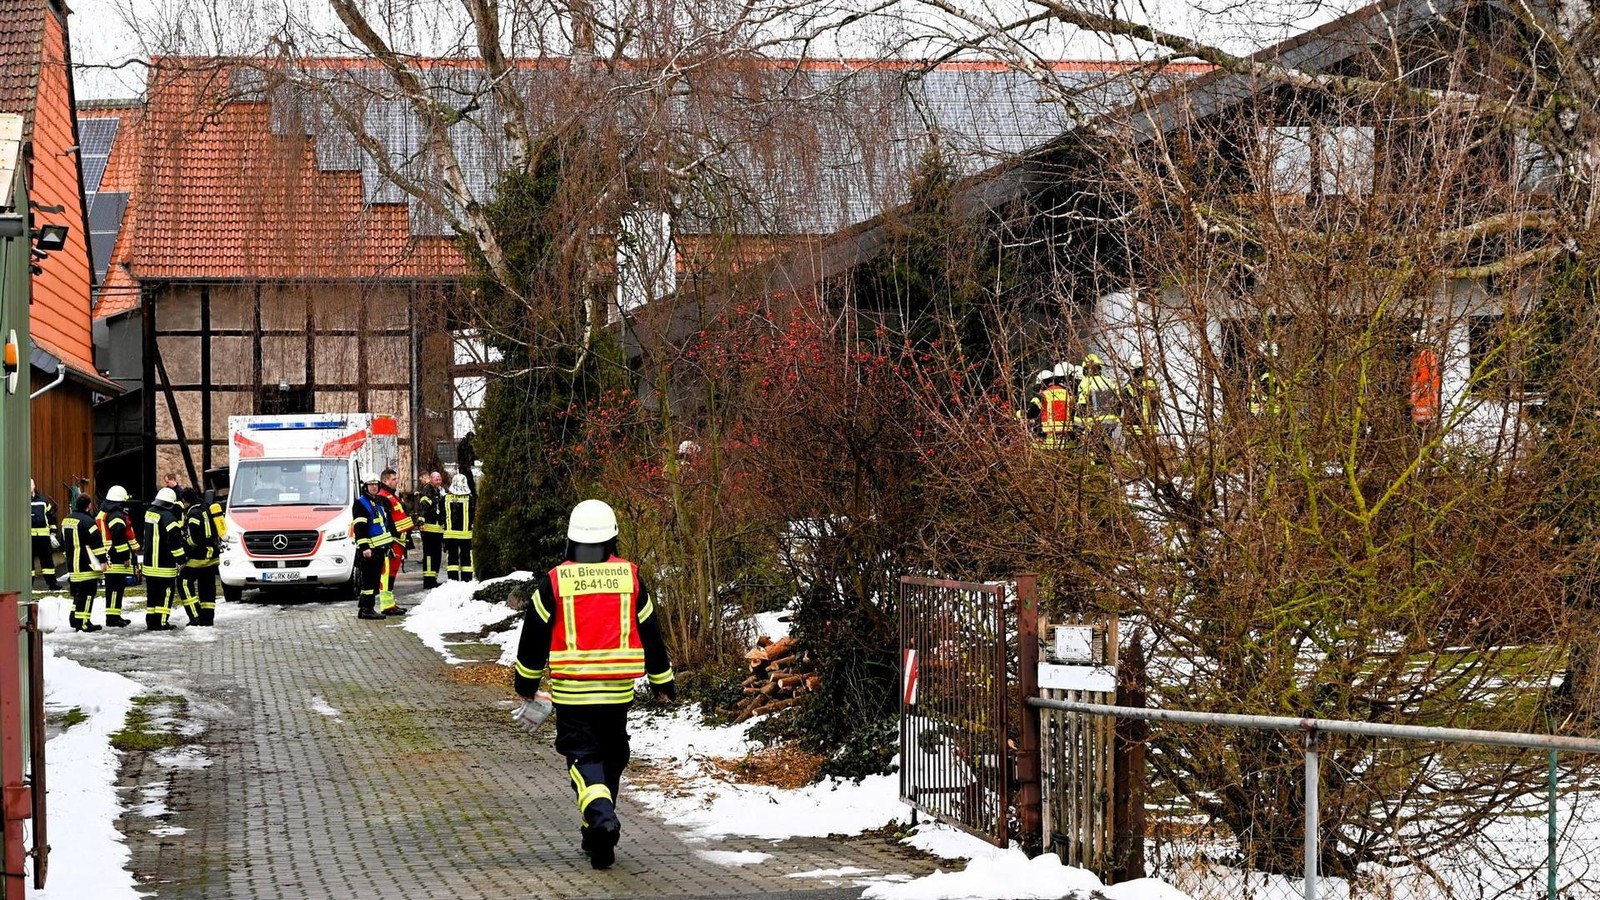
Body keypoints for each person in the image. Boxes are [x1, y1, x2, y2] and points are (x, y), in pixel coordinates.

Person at [512, 499, 675, 870]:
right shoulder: (630, 577)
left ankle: (601, 815)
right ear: (612, 538)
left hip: (574, 691)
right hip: (617, 691)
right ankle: (599, 839)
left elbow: (534, 635)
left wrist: (526, 681)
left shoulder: (556, 581)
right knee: (613, 756)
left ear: (570, 541)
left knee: (584, 757)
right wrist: (663, 681)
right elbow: (650, 631)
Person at [140, 487, 191, 630]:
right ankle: (161, 622)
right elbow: (175, 542)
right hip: (164, 566)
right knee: (166, 594)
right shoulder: (169, 519)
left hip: (149, 565)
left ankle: (151, 621)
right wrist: (181, 560)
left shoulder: (149, 513)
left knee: (152, 595)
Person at [351, 472, 395, 620]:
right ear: (366, 486)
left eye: (376, 485)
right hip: (369, 550)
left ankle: (364, 608)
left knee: (374, 581)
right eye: (371, 485)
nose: (374, 487)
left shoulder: (378, 502)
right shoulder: (361, 503)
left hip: (379, 549)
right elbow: (360, 528)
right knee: (368, 581)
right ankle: (367, 609)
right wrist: (365, 548)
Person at [63, 493, 105, 631]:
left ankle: (74, 619)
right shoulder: (88, 522)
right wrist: (103, 560)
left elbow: (62, 541)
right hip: (86, 564)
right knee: (88, 594)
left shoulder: (66, 521)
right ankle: (84, 622)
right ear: (89, 505)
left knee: (78, 594)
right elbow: (96, 542)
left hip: (72, 564)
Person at [97, 485, 138, 627]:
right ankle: (113, 618)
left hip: (108, 555)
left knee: (112, 588)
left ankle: (114, 616)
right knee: (116, 589)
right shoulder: (115, 514)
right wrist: (125, 556)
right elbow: (119, 534)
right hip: (115, 558)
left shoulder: (104, 511)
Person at [181, 487, 221, 626]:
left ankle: (195, 616)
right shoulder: (207, 507)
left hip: (200, 556)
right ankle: (208, 618)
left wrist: (185, 545)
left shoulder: (193, 514)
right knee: (207, 586)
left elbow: (194, 538)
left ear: (185, 500)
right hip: (213, 556)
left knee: (183, 582)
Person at [376, 469, 413, 615]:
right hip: (392, 542)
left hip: (399, 542)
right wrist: (389, 542)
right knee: (387, 574)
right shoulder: (383, 497)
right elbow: (385, 522)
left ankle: (390, 603)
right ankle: (386, 605)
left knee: (392, 574)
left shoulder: (392, 496)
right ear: (384, 481)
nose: (396, 481)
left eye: (396, 479)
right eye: (393, 479)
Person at [1076, 353, 1122, 449]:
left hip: (1093, 422)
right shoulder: (1109, 382)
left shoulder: (1085, 383)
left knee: (1094, 447)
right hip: (1110, 421)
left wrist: (1079, 427)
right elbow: (1119, 402)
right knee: (1105, 445)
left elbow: (1082, 405)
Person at [1026, 366, 1073, 449]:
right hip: (1067, 438)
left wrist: (1019, 413)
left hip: (1049, 439)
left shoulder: (1043, 395)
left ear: (1042, 383)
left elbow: (1030, 413)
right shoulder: (1067, 393)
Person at [443, 473, 475, 581]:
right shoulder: (469, 498)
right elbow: (473, 514)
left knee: (452, 559)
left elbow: (441, 515)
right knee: (466, 558)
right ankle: (467, 579)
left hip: (450, 535)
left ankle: (453, 580)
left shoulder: (445, 498)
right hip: (466, 535)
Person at [1120, 354, 1160, 440]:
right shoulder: (1153, 382)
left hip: (1135, 425)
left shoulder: (1131, 385)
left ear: (1135, 370)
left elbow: (1124, 400)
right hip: (1152, 425)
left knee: (1135, 452)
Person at [416, 471, 445, 589]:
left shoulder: (438, 491)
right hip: (428, 529)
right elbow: (423, 507)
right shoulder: (427, 491)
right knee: (429, 555)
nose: (438, 481)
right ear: (431, 480)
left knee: (436, 555)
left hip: (437, 530)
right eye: (436, 479)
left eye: (439, 479)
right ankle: (428, 581)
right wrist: (421, 522)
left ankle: (433, 579)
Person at [29, 479, 59, 590]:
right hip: (29, 537)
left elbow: (51, 517)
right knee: (29, 563)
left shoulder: (43, 501)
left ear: (34, 486)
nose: (29, 488)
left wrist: (53, 533)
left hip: (44, 537)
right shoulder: (21, 501)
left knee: (47, 562)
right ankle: (28, 585)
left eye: (30, 485)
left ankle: (52, 584)